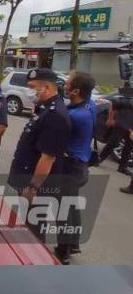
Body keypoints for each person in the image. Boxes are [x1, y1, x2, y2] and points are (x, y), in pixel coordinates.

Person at [7, 68, 71, 240]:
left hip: (35, 185)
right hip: (27, 177)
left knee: (34, 228)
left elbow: (48, 157)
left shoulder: (55, 114)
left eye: (32, 87)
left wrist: (33, 187)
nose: (29, 91)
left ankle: (34, 261)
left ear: (47, 88)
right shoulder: (45, 109)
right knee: (27, 223)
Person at [52, 71, 97, 264]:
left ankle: (63, 251)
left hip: (70, 166)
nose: (65, 85)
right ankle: (74, 243)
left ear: (76, 90)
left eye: (68, 83)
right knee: (71, 206)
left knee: (63, 209)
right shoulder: (90, 105)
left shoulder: (75, 116)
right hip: (81, 164)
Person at [98, 95, 133, 175]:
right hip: (120, 124)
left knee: (129, 147)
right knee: (113, 142)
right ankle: (99, 160)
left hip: (131, 127)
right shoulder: (126, 96)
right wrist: (110, 119)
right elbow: (113, 105)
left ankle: (122, 167)